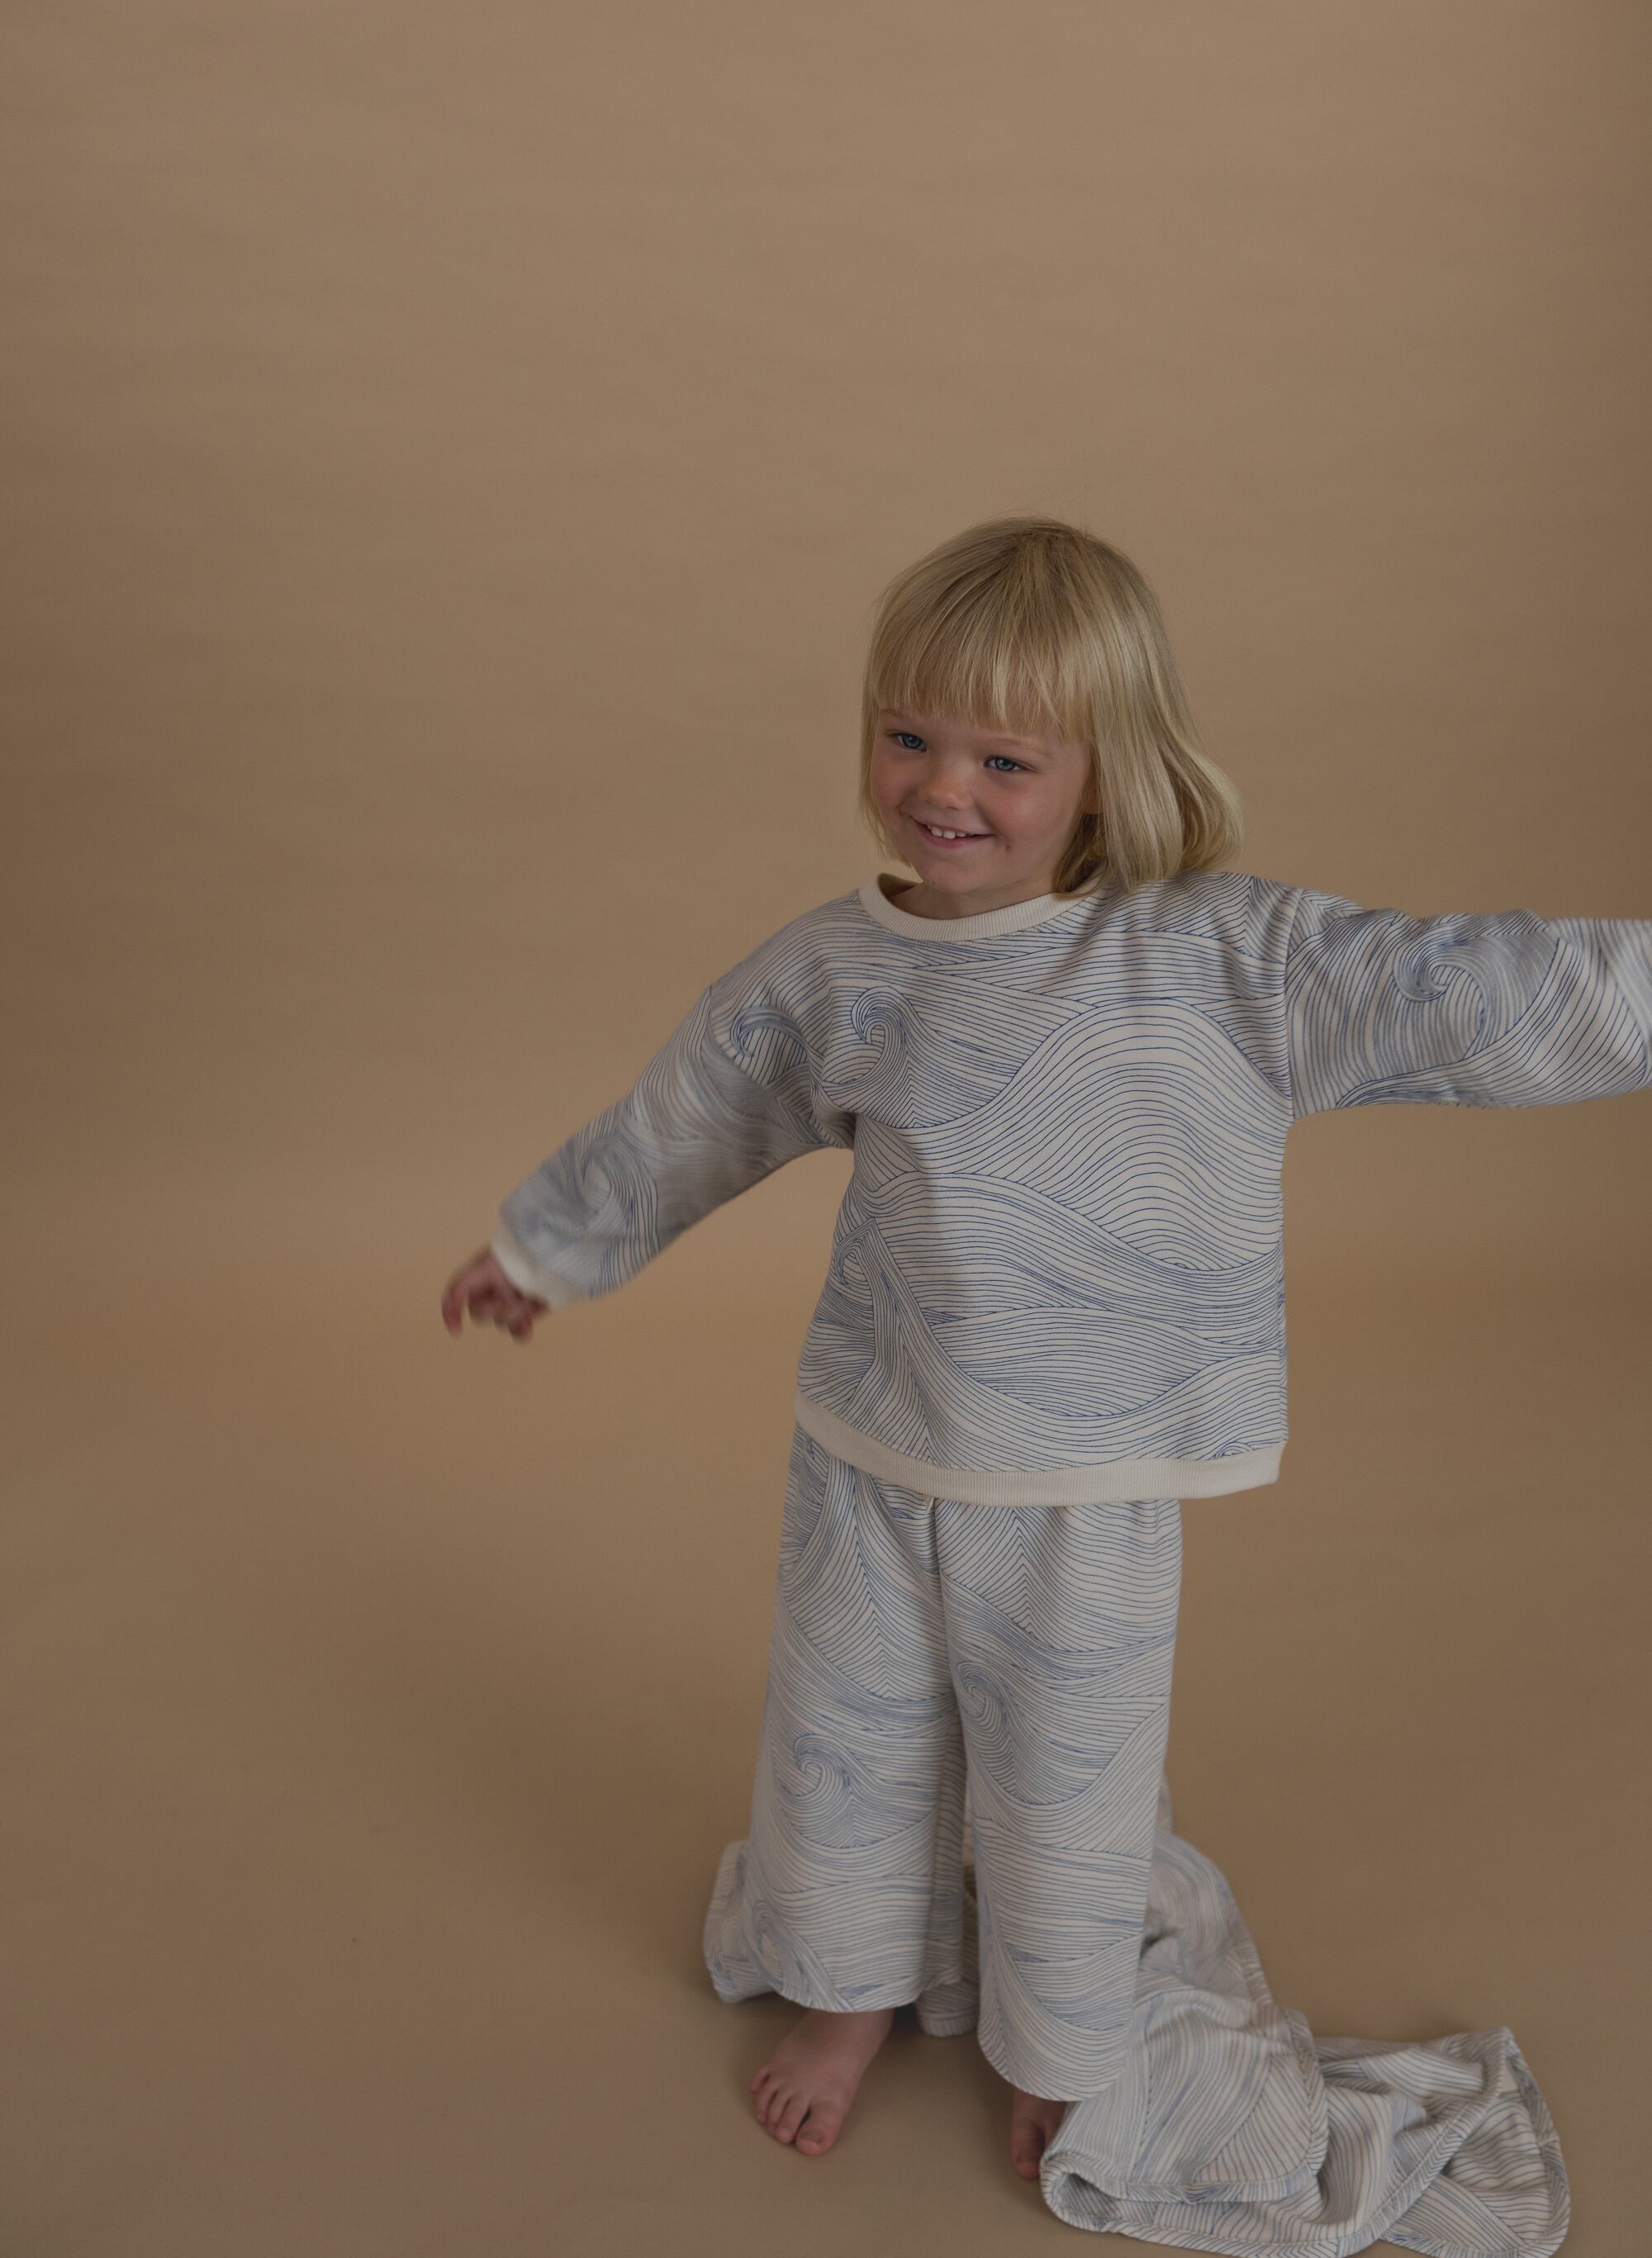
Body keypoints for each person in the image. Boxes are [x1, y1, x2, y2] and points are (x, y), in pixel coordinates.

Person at [440, 516, 1645, 2251]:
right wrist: (549, 1247)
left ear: (1103, 774)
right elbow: (690, 1111)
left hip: (1084, 1490)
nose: (945, 788)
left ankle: (1062, 2048)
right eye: (909, 735)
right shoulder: (839, 968)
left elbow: (1472, 990)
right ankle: (846, 1994)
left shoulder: (1221, 959)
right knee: (841, 1751)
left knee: (1066, 1795)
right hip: (872, 1450)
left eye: (1006, 759)